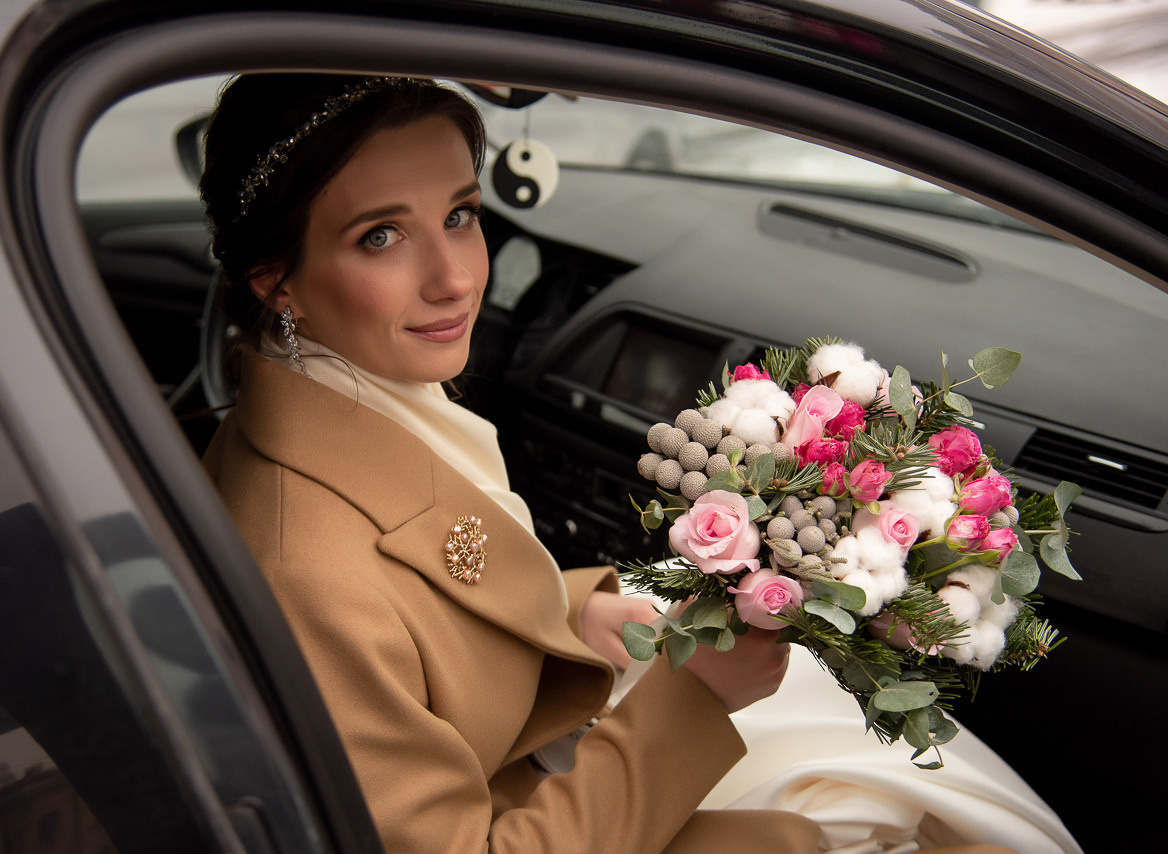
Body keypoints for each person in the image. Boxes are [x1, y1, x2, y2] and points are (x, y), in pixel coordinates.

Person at [198, 73, 1018, 854]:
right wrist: (695, 700)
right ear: (278, 282)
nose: (455, 279)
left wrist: (568, 611)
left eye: (459, 214)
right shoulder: (303, 569)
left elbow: (414, 620)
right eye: (381, 236)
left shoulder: (342, 405)